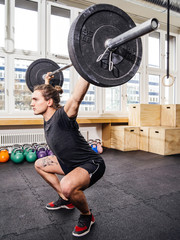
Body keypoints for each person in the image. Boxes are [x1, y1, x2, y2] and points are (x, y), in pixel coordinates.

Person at [31, 73, 106, 237]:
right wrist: (46, 82)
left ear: (49, 102)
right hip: (68, 164)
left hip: (91, 163)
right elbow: (46, 94)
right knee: (39, 165)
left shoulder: (63, 116)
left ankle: (87, 216)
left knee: (67, 186)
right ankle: (66, 200)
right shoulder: (47, 116)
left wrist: (86, 70)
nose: (32, 103)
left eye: (35, 100)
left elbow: (77, 97)